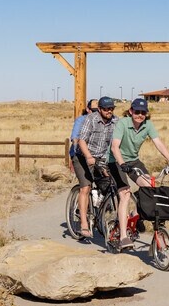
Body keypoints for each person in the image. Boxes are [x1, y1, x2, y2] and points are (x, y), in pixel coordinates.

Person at [110, 98, 169, 249]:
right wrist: (122, 164)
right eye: (137, 112)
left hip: (133, 161)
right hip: (116, 161)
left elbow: (158, 142)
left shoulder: (148, 125)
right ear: (131, 111)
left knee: (149, 187)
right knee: (125, 194)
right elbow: (115, 147)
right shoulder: (123, 123)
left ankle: (135, 215)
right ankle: (123, 237)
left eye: (143, 112)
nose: (140, 115)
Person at [75, 96, 119, 238]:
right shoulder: (91, 119)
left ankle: (103, 214)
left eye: (111, 108)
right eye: (106, 108)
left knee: (110, 183)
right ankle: (83, 224)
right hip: (83, 156)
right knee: (86, 187)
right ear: (99, 109)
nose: (109, 111)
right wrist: (88, 156)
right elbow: (81, 140)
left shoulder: (115, 121)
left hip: (101, 158)